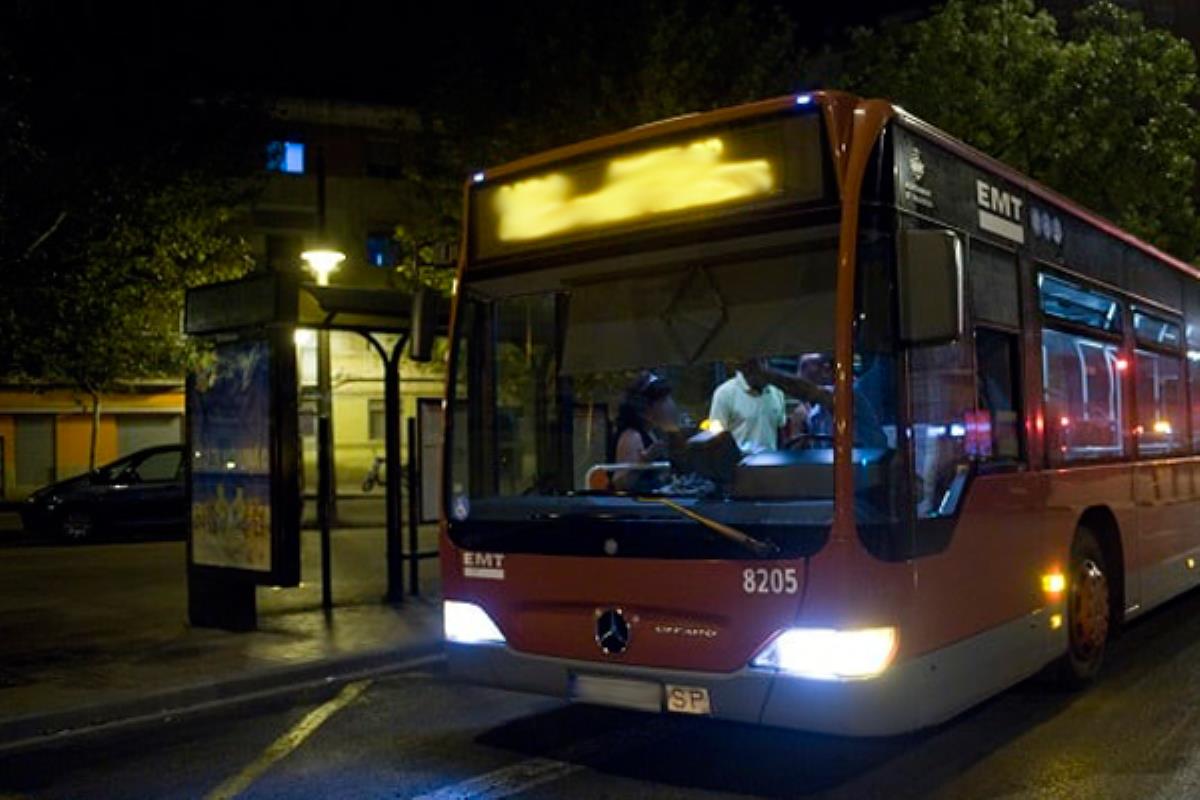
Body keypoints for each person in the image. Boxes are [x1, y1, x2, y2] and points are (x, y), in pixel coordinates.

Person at [612, 372, 677, 492]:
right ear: (645, 409)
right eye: (664, 400)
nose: (671, 405)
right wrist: (644, 461)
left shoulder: (652, 433)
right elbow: (620, 483)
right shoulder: (632, 437)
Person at [708, 359, 789, 453]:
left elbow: (780, 430)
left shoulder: (776, 391)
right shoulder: (724, 393)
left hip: (771, 462)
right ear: (746, 369)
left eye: (764, 362)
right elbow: (716, 437)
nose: (764, 370)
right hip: (739, 464)